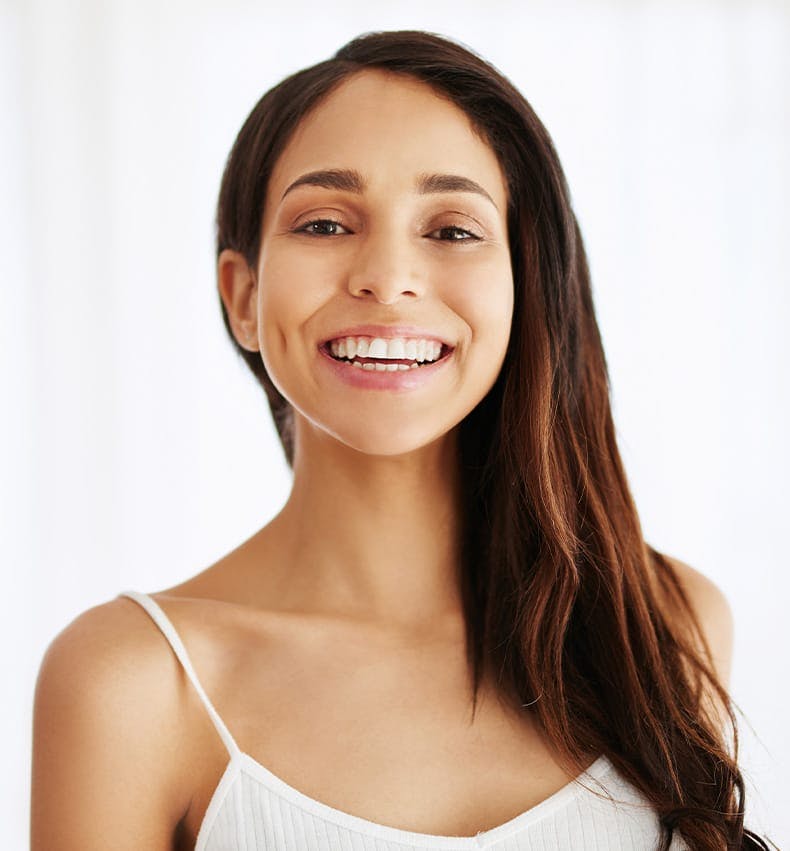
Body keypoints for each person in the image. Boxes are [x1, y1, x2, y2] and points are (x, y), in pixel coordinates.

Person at [30, 30, 770, 851]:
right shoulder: (131, 683)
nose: (386, 275)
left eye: (452, 229)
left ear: (526, 284)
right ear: (242, 296)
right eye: (323, 223)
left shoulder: (665, 622)